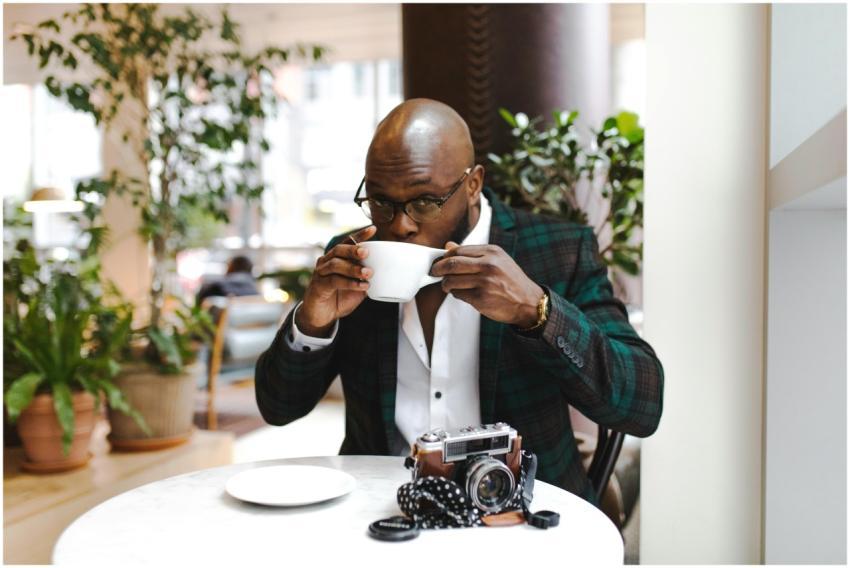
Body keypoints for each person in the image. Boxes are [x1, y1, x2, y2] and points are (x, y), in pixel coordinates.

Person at [255, 98, 664, 504]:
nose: (399, 226)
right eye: (380, 201)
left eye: (424, 203)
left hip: (520, 512)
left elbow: (642, 405)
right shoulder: (351, 258)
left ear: (473, 185)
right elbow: (278, 408)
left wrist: (536, 310)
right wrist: (313, 323)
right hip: (380, 508)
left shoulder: (558, 251)